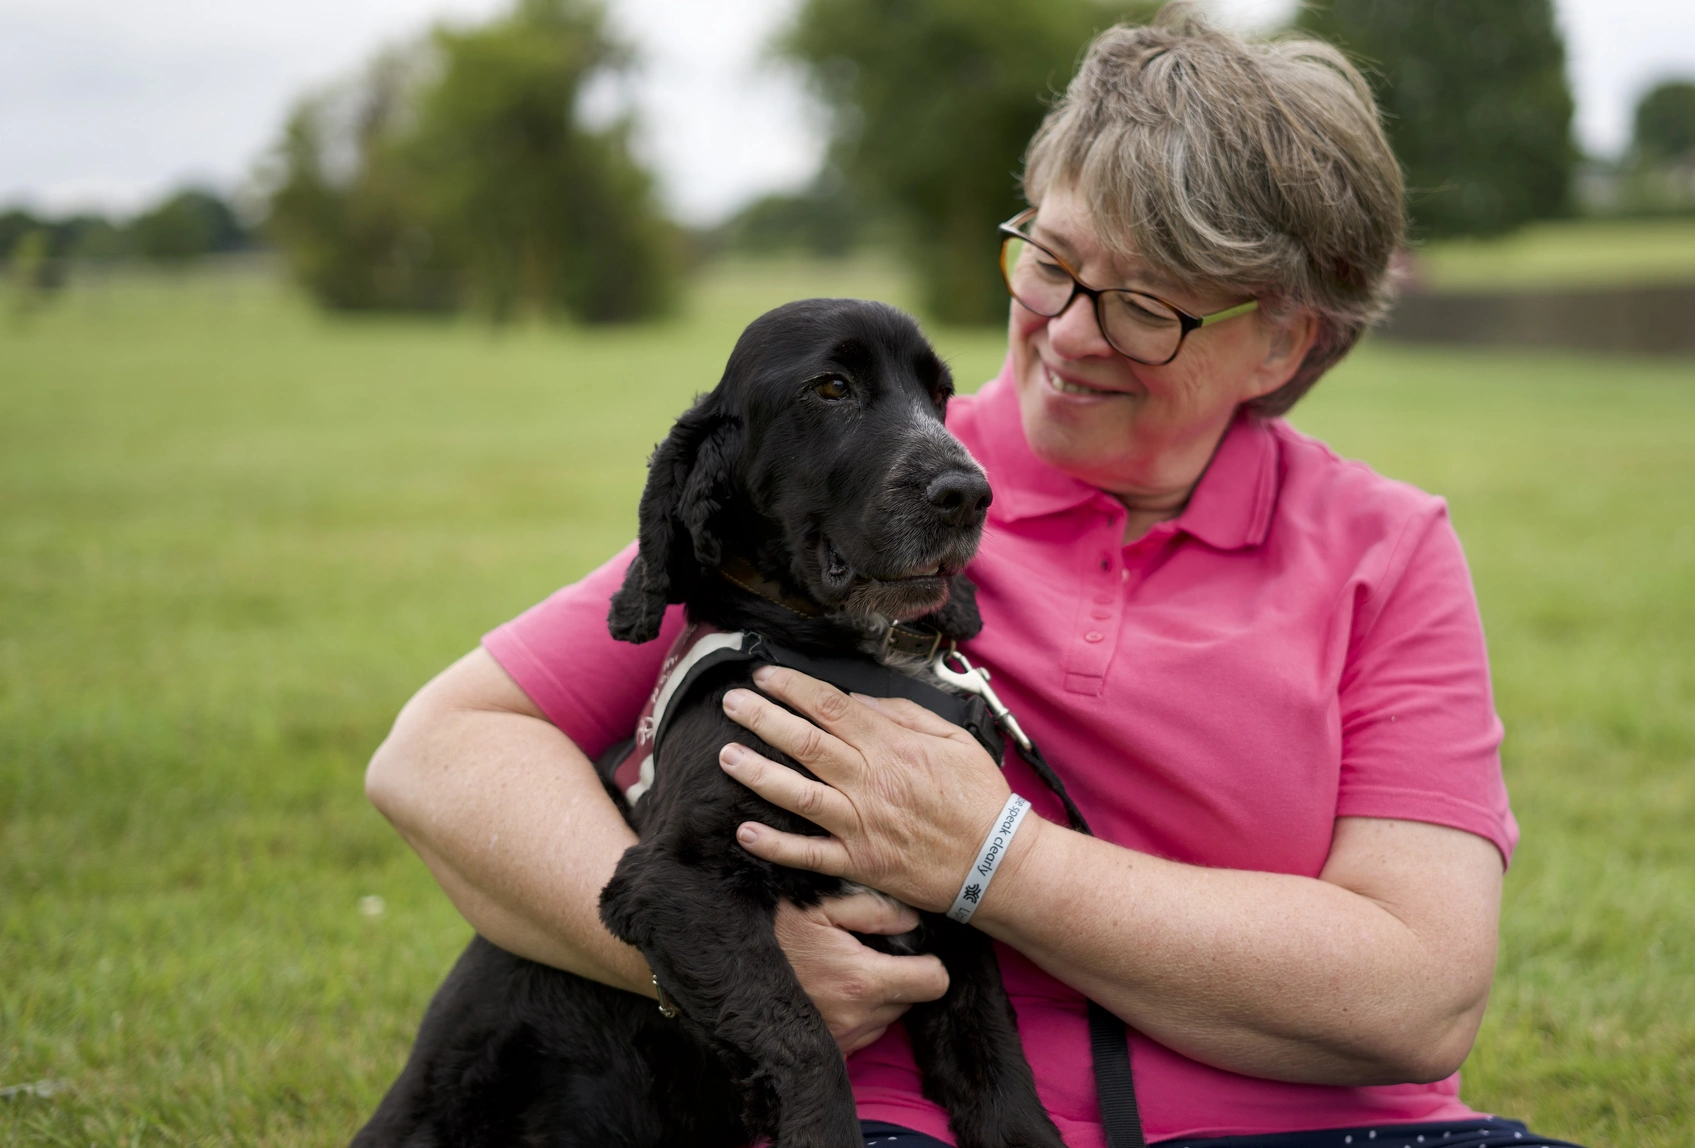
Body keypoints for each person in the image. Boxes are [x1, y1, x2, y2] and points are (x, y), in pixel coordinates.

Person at [365, 8, 1584, 1148]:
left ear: (1281, 338)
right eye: (1049, 261)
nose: (1068, 330)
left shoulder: (1388, 550)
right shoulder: (852, 497)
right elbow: (442, 751)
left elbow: (1416, 994)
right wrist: (736, 966)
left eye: (1146, 306)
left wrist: (995, 854)